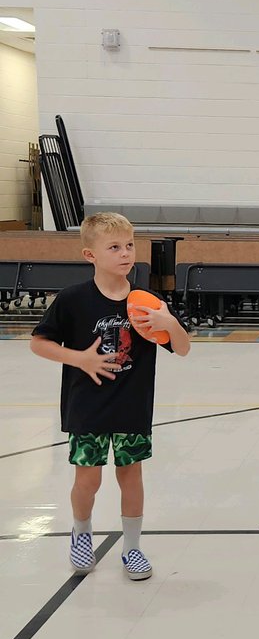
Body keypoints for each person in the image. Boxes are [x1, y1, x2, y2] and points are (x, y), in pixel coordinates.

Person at [30, 212, 191, 580]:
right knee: (88, 480)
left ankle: (132, 548)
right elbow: (39, 343)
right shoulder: (72, 300)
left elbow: (182, 349)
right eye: (114, 247)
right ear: (91, 255)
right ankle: (81, 533)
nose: (125, 254)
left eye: (129, 245)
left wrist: (171, 324)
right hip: (87, 406)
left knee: (130, 476)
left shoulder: (148, 302)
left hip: (131, 406)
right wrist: (80, 359)